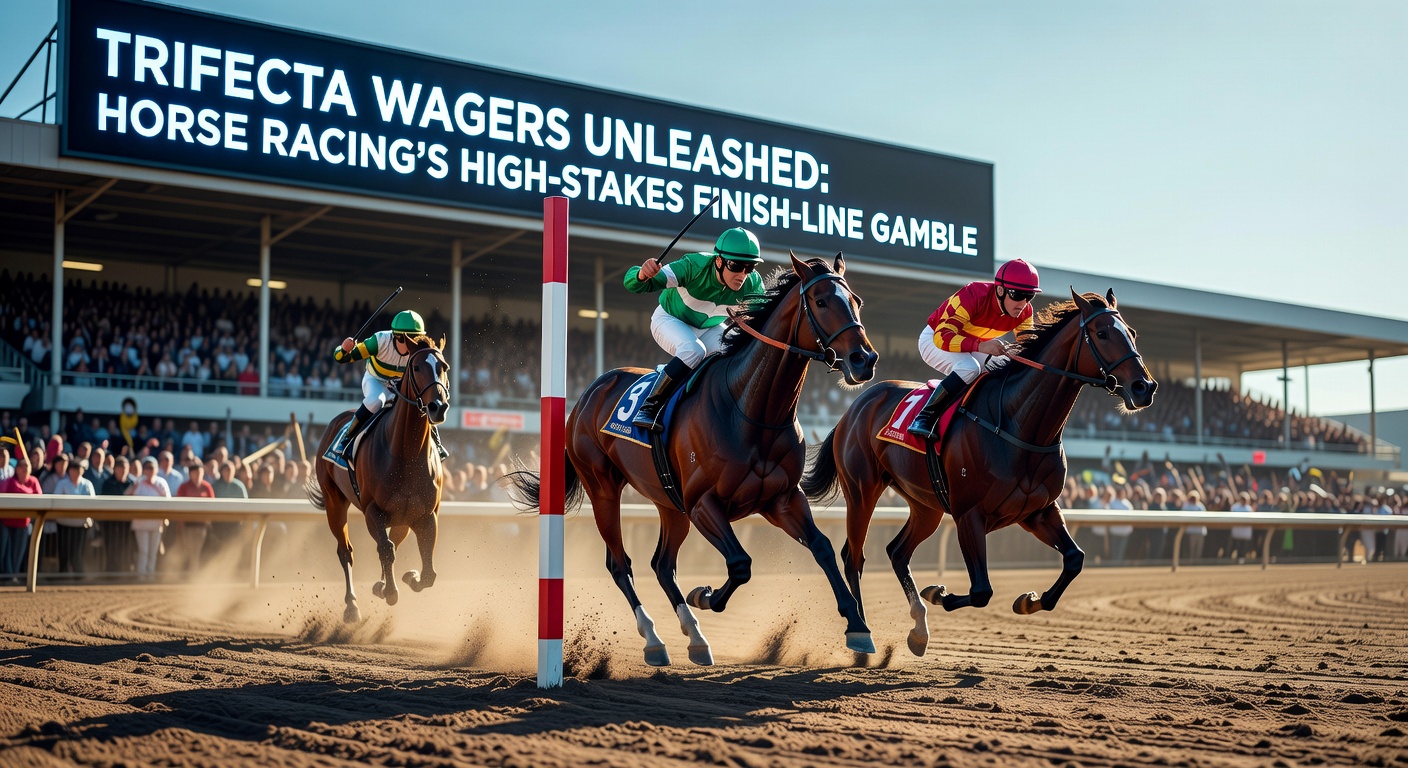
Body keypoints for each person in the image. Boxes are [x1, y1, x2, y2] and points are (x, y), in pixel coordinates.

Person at [622, 227, 765, 432]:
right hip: (669, 319)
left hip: (709, 328)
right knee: (694, 350)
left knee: (738, 353)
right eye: (736, 265)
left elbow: (763, 322)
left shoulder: (753, 283)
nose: (742, 275)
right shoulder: (693, 265)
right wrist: (642, 274)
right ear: (719, 261)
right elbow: (634, 285)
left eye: (749, 267)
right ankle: (649, 407)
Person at [908, 259, 1041, 440]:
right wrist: (980, 345)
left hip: (973, 345)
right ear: (1000, 290)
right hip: (934, 339)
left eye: (1029, 296)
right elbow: (942, 337)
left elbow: (1029, 347)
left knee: (1006, 365)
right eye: (1017, 294)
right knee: (969, 368)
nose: (1023, 303)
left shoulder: (1025, 312)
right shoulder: (972, 294)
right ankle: (924, 417)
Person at [329, 309, 448, 461]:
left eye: (416, 338)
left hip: (399, 385)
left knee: (422, 402)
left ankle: (437, 443)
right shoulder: (379, 341)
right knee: (376, 400)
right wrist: (343, 349)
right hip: (376, 380)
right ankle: (346, 439)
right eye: (409, 339)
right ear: (397, 336)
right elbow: (342, 358)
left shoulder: (419, 351)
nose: (414, 344)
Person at [126, 456, 170, 580]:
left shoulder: (161, 482)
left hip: (156, 522)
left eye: (152, 468)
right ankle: (141, 575)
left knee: (153, 551)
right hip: (140, 522)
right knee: (143, 551)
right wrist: (133, 488)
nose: (149, 470)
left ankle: (150, 575)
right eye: (147, 468)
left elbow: (168, 500)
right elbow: (127, 497)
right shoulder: (138, 482)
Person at [0, 457, 41, 582]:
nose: (25, 469)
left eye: (27, 466)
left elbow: (39, 498)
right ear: (16, 468)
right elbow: (14, 491)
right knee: (5, 551)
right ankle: (6, 576)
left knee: (19, 552)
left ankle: (13, 577)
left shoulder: (33, 481)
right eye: (22, 466)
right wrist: (29, 494)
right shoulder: (9, 481)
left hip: (24, 523)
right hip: (5, 523)